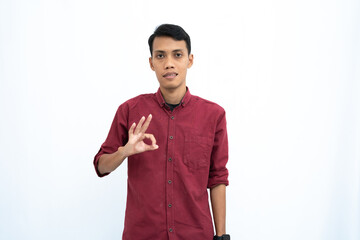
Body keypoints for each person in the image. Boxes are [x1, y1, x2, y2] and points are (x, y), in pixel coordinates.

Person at [93, 24, 230, 240]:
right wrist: (124, 152)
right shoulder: (129, 111)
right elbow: (101, 166)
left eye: (177, 55)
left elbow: (217, 177)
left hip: (195, 234)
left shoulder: (214, 115)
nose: (169, 64)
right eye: (160, 56)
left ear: (190, 60)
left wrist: (222, 236)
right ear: (151, 63)